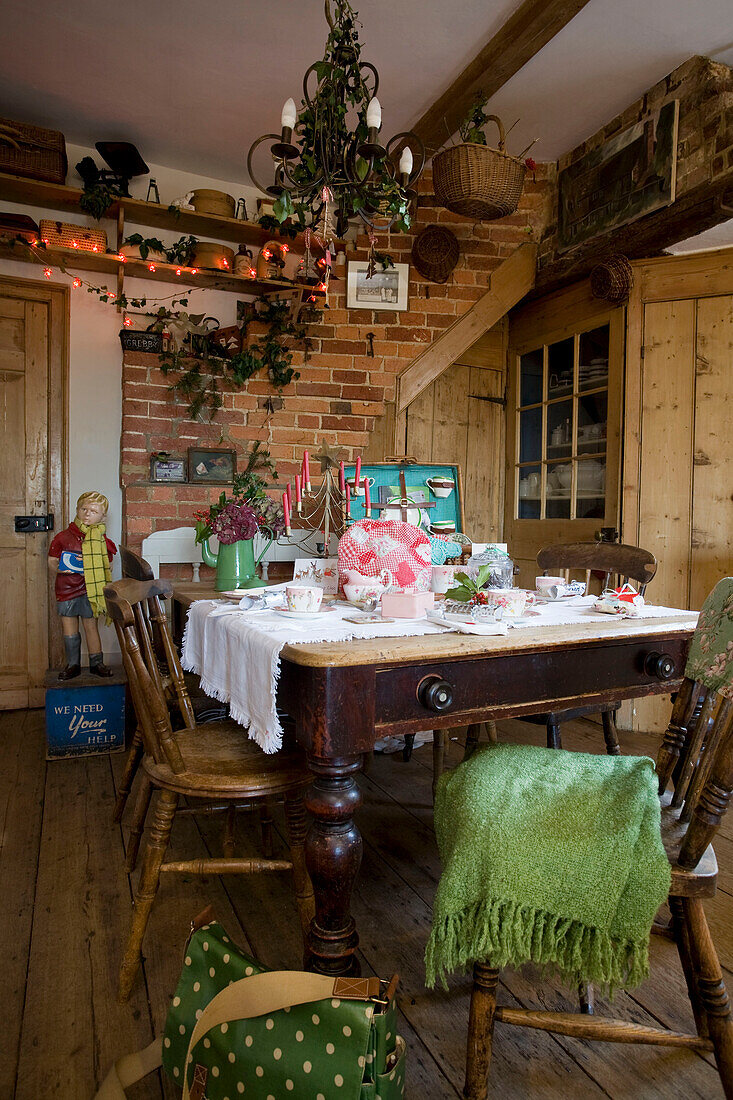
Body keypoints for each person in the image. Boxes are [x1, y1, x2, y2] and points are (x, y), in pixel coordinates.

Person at [48, 491, 117, 680]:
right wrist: (62, 568)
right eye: (84, 509)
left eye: (94, 511)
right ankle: (73, 664)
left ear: (102, 516)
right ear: (77, 510)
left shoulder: (102, 541)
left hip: (91, 590)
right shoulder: (63, 537)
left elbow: (107, 564)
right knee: (69, 629)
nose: (87, 514)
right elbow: (52, 560)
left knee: (91, 627)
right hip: (67, 589)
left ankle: (96, 663)